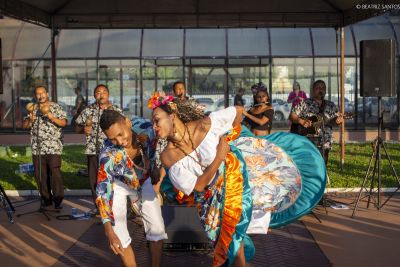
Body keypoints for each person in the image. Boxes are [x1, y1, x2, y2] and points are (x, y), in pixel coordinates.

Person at [149, 92, 326, 266]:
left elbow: (238, 110)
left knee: (233, 245)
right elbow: (198, 186)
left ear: (172, 115)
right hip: (210, 206)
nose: (154, 126)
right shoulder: (168, 156)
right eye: (152, 123)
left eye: (157, 120)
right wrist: (220, 156)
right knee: (232, 247)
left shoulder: (205, 125)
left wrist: (232, 139)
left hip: (235, 188)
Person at [96, 109, 167, 267]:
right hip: (119, 184)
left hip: (145, 179)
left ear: (127, 122)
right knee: (119, 234)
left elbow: (166, 143)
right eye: (113, 139)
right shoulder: (108, 155)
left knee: (156, 229)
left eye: (121, 134)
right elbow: (102, 193)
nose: (120, 141)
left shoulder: (147, 129)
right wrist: (109, 231)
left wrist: (156, 169)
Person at [74, 84, 122, 213]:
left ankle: (115, 206)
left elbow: (124, 127)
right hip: (93, 150)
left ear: (108, 94)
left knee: (113, 179)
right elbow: (76, 126)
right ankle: (99, 207)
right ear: (94, 96)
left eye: (104, 92)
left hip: (112, 151)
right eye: (98, 93)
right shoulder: (88, 110)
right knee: (94, 180)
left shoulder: (116, 110)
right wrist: (83, 129)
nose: (101, 95)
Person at [22, 86, 67, 209]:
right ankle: (46, 200)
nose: (40, 96)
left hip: (54, 147)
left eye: (42, 93)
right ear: (35, 96)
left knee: (54, 173)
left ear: (47, 94)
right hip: (38, 148)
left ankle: (58, 200)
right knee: (40, 175)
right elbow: (24, 126)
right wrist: (30, 121)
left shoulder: (56, 107)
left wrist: (52, 117)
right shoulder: (32, 108)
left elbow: (64, 123)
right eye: (38, 94)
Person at [289, 80, 344, 164]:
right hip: (307, 142)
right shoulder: (305, 103)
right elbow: (292, 116)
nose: (321, 90)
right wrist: (301, 121)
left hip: (324, 142)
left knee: (322, 167)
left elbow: (335, 121)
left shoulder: (331, 105)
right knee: (308, 167)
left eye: (323, 88)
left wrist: (339, 121)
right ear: (313, 90)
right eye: (318, 88)